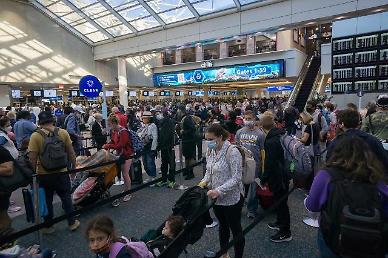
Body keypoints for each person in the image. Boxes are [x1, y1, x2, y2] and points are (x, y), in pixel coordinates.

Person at [305, 136, 388, 258]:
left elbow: (312, 205)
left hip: (334, 234)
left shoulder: (326, 175)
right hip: (371, 237)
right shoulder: (376, 178)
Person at [28, 111, 80, 234]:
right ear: (53, 120)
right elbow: (71, 153)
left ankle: (49, 226)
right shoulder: (63, 132)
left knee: (47, 200)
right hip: (62, 172)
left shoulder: (36, 136)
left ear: (40, 122)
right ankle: (72, 223)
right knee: (66, 197)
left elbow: (32, 158)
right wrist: (73, 168)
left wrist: (32, 173)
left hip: (44, 174)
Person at [199, 124, 245, 258]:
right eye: (206, 139)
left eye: (211, 139)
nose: (208, 142)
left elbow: (237, 177)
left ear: (220, 137)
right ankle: (224, 254)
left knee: (236, 229)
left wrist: (219, 190)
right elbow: (209, 171)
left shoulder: (233, 151)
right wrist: (203, 182)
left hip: (232, 198)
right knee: (223, 226)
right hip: (216, 199)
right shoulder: (211, 151)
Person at [260, 113, 292, 242]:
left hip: (278, 176)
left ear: (262, 126)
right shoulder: (280, 134)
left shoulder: (271, 140)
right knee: (280, 201)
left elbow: (270, 162)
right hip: (284, 172)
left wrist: (264, 178)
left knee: (281, 202)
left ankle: (285, 232)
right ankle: (279, 222)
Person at [235, 110, 265, 218]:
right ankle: (238, 206)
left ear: (254, 119)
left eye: (249, 119)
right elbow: (236, 147)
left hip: (255, 165)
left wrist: (262, 166)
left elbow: (263, 151)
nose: (247, 121)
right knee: (240, 186)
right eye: (245, 118)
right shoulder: (239, 132)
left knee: (253, 189)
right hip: (241, 164)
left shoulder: (260, 134)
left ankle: (252, 209)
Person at [103, 116, 133, 206]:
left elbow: (121, 144)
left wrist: (108, 146)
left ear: (114, 123)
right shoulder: (115, 131)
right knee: (124, 173)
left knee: (125, 173)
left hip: (127, 154)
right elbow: (113, 141)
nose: (109, 126)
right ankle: (127, 189)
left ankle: (128, 192)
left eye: (109, 124)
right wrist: (107, 144)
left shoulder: (123, 131)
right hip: (122, 154)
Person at [155, 110, 176, 188]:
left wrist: (159, 146)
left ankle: (170, 180)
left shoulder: (166, 122)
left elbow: (165, 135)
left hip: (168, 146)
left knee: (168, 163)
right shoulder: (167, 122)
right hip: (168, 146)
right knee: (168, 163)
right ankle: (168, 180)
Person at [137, 111, 158, 181]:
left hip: (150, 147)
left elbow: (155, 137)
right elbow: (139, 134)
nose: (143, 120)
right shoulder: (144, 126)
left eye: (144, 118)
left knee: (150, 163)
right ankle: (150, 176)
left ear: (148, 119)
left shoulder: (153, 126)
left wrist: (153, 148)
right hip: (144, 147)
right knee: (145, 163)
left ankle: (153, 177)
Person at [0, 146, 14, 236]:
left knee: (2, 216)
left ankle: (8, 239)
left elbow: (9, 170)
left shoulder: (1, 150)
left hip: (2, 191)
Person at [180, 111, 197, 180]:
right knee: (187, 156)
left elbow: (192, 129)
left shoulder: (187, 119)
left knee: (190, 156)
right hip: (187, 140)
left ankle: (190, 172)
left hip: (189, 141)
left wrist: (183, 132)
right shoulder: (187, 118)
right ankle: (187, 170)